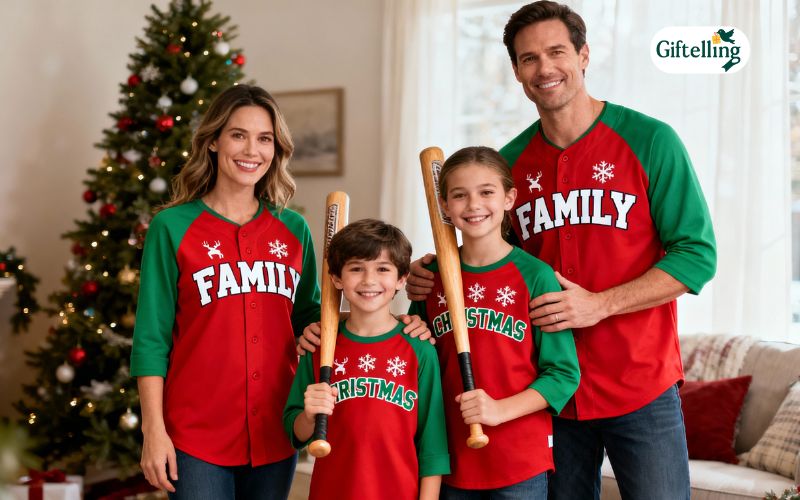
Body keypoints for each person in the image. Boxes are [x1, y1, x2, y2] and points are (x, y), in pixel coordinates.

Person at [406, 3, 717, 499]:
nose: (545, 68)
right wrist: (433, 271)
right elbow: (491, 257)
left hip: (640, 382)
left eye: (556, 52)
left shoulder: (651, 141)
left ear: (584, 55)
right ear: (516, 72)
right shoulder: (508, 165)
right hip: (547, 394)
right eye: (529, 59)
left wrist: (600, 304)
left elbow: (697, 255)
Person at [130, 84, 320, 499]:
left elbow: (311, 319)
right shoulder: (172, 228)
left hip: (275, 431)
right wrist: (153, 431)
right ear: (214, 141)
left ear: (276, 149)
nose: (252, 150)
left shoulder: (294, 230)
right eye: (238, 134)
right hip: (196, 436)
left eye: (264, 138)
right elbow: (151, 339)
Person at [408, 147, 579, 499]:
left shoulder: (534, 276)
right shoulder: (430, 277)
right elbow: (416, 358)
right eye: (459, 195)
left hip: (517, 457)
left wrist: (500, 410)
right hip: (449, 455)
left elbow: (563, 375)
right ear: (443, 206)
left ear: (509, 198)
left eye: (486, 192)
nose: (473, 205)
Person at [283, 219, 450, 500]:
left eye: (382, 269)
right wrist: (309, 416)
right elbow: (296, 432)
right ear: (336, 278)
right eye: (356, 268)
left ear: (401, 278)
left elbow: (432, 444)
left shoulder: (419, 349)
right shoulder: (320, 346)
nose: (369, 280)